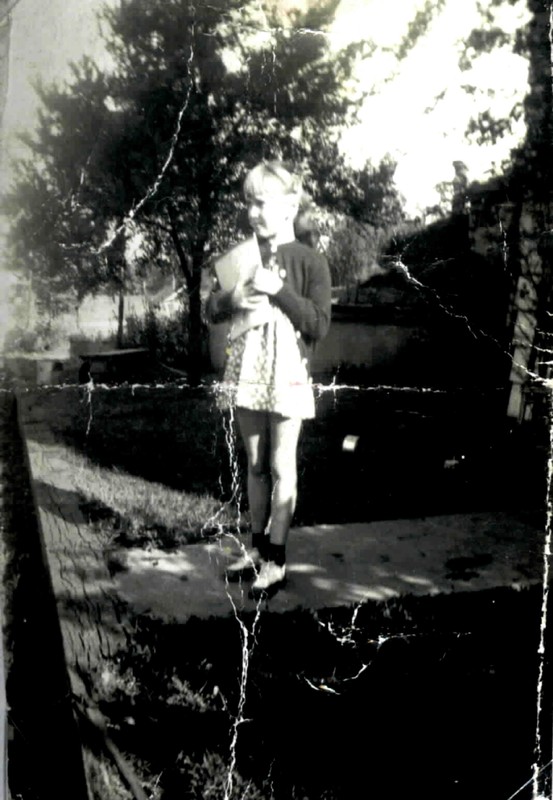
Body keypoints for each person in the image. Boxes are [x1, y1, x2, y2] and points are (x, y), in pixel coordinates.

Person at [206, 161, 332, 595]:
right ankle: (258, 549)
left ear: (288, 206)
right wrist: (232, 297)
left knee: (281, 465)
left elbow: (318, 324)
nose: (253, 213)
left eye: (261, 203)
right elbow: (212, 309)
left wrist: (278, 290)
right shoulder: (243, 256)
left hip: (286, 373)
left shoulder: (310, 261)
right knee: (255, 465)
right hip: (247, 370)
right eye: (249, 204)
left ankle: (277, 559)